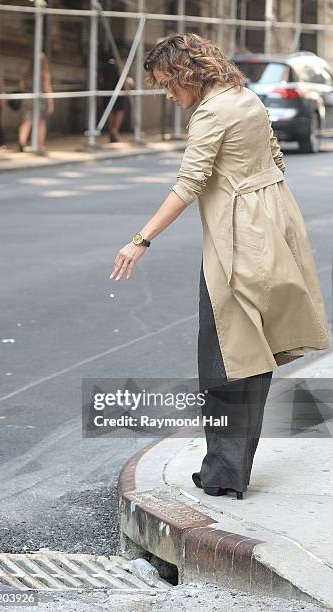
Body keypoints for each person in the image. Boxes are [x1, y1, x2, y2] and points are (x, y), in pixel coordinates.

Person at [109, 33, 330, 499]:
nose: (168, 94)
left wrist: (139, 239)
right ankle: (228, 471)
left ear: (189, 73)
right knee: (251, 352)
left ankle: (224, 473)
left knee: (224, 355)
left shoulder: (210, 112)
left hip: (239, 238)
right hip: (273, 225)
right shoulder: (245, 97)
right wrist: (257, 201)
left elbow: (190, 182)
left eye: (169, 83)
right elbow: (274, 157)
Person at [18, 52, 54, 154]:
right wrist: (51, 103)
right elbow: (48, 89)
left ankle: (22, 142)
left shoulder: (28, 73)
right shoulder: (44, 74)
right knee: (41, 123)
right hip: (41, 101)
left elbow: (21, 86)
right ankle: (40, 145)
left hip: (28, 99)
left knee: (26, 122)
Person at [98, 53, 134, 143]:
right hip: (117, 91)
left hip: (107, 90)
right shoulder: (119, 66)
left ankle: (112, 131)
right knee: (118, 111)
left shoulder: (103, 67)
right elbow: (126, 79)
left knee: (110, 111)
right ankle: (114, 131)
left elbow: (100, 79)